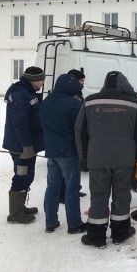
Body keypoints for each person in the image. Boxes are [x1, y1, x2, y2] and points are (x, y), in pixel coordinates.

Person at [75, 71, 137, 248]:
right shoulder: (133, 103)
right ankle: (120, 233)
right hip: (125, 159)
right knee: (122, 197)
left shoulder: (90, 101)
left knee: (98, 197)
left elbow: (80, 131)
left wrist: (83, 157)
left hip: (98, 158)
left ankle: (96, 236)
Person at [41, 73, 86, 234]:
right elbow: (80, 130)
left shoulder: (46, 102)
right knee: (71, 188)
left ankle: (50, 222)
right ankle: (74, 224)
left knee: (52, 187)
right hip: (68, 152)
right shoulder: (73, 104)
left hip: (51, 151)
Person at [3, 66, 45, 224]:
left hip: (27, 145)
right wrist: (26, 146)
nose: (43, 82)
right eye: (41, 79)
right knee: (21, 176)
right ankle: (15, 214)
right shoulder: (20, 95)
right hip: (21, 147)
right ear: (33, 80)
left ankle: (20, 207)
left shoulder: (27, 92)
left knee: (28, 175)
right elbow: (20, 124)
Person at [59, 69, 87, 204]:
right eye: (81, 81)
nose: (83, 84)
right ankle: (64, 193)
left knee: (75, 165)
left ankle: (75, 188)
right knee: (68, 169)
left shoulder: (78, 95)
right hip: (69, 137)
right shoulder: (71, 97)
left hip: (75, 136)